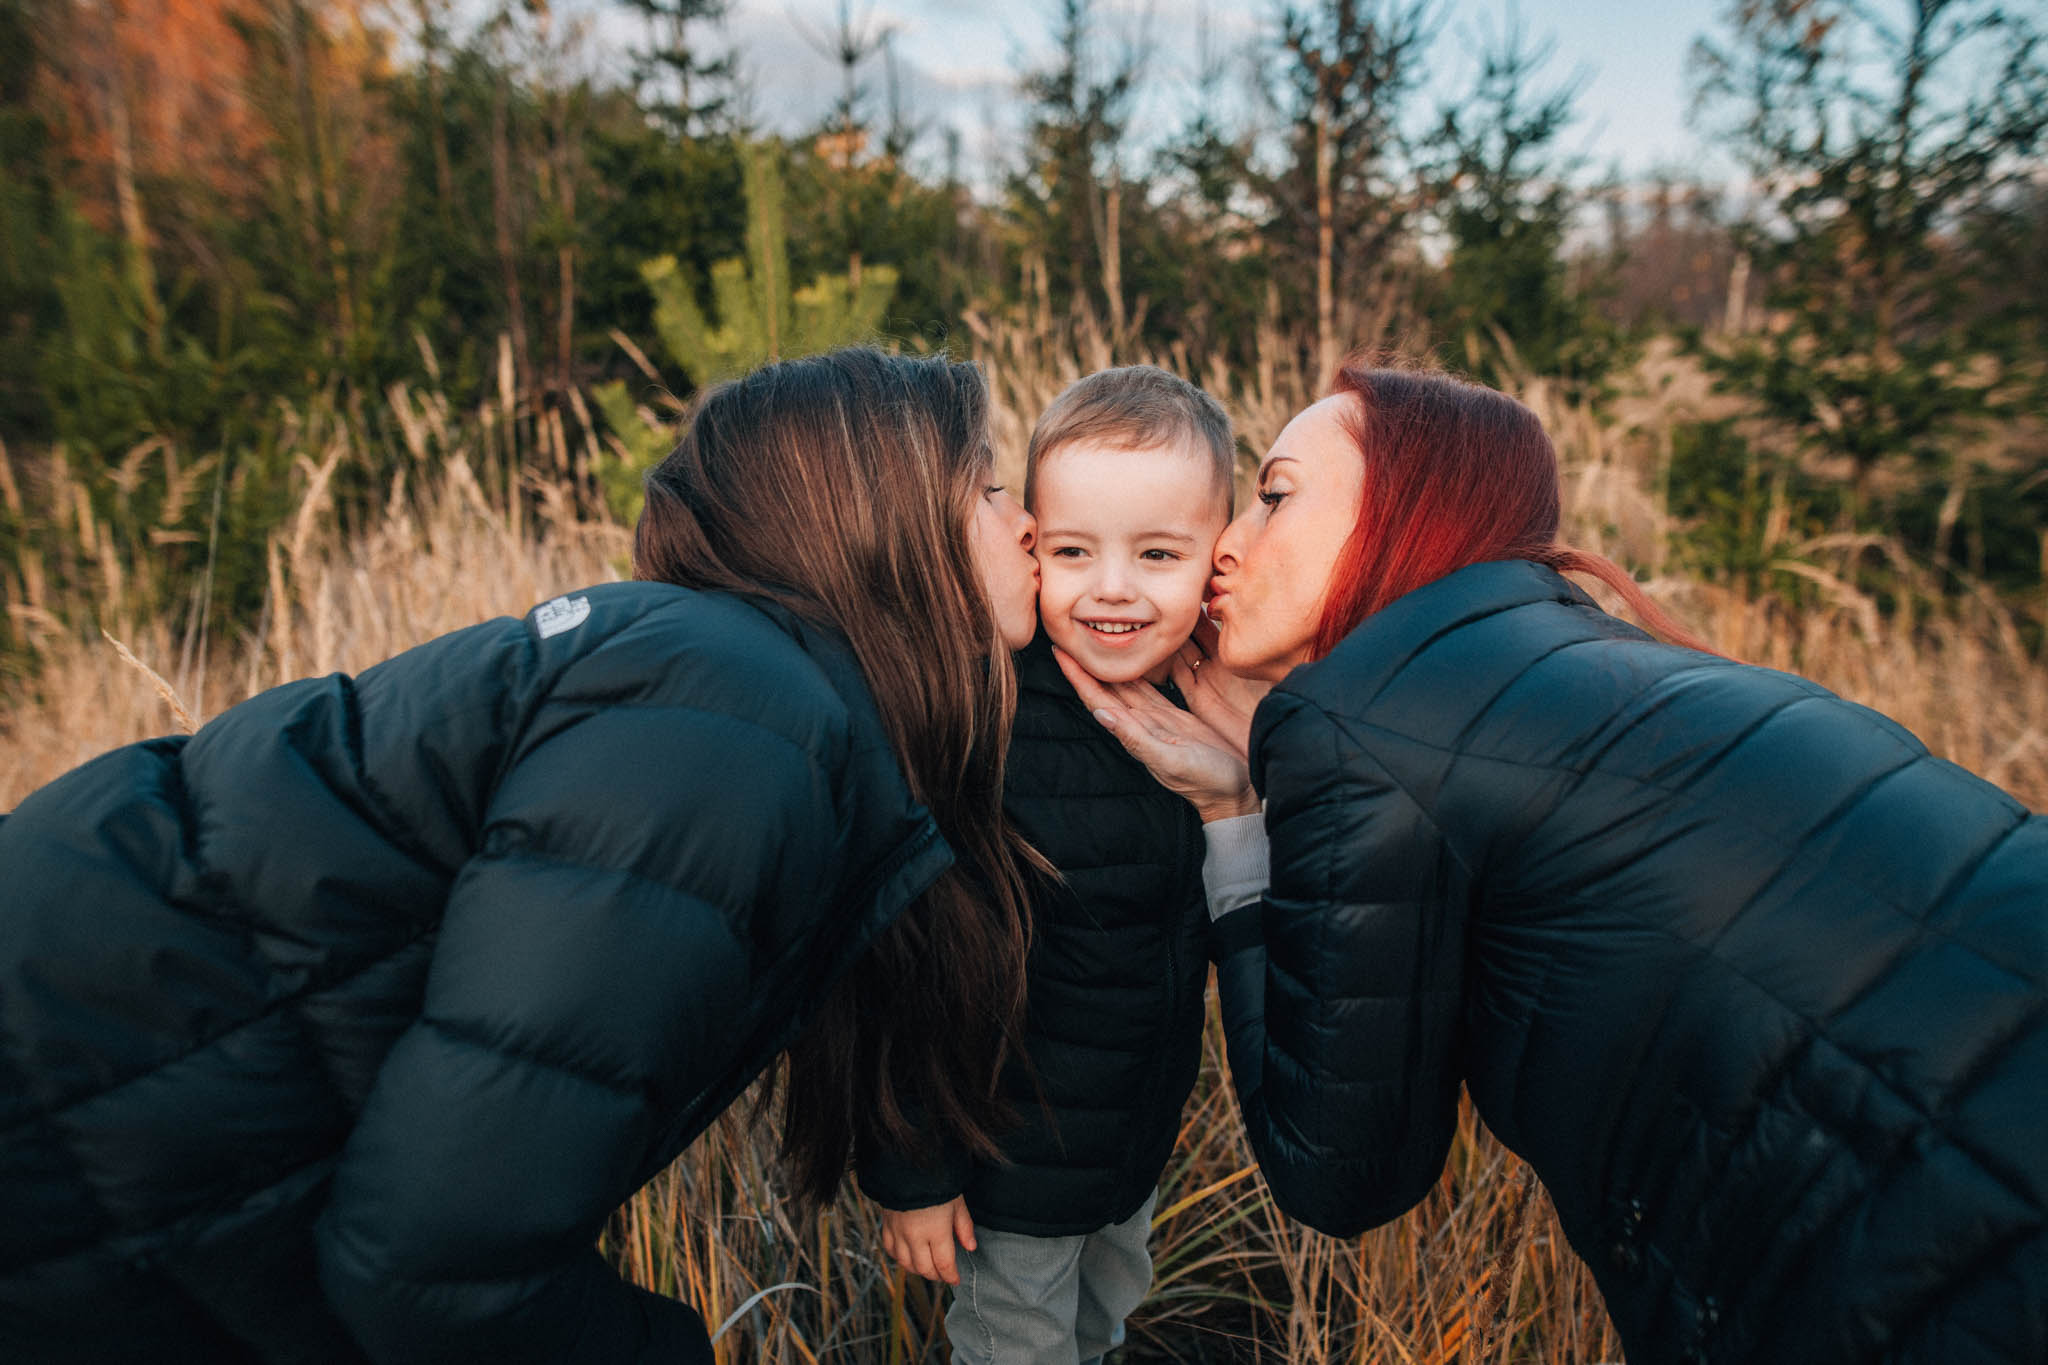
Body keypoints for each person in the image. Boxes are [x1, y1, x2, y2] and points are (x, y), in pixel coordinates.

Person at [0, 347, 1046, 1365]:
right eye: (989, 489)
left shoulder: (752, 698)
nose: (1028, 522)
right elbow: (440, 1264)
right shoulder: (728, 722)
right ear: (878, 520)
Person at [1060, 360, 2047, 1365]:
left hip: (1949, 1235)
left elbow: (1336, 1174)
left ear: (1413, 508)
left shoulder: (1357, 715)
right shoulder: (1611, 664)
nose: (1223, 543)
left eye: (1271, 496)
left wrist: (1235, 817)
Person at [859, 366, 1233, 1365]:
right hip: (1004, 1171)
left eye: (1156, 553)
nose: (1110, 587)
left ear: (1217, 557)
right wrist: (915, 1174)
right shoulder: (990, 730)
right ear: (1030, 547)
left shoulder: (1217, 713)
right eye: (1073, 551)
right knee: (1017, 1349)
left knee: (1101, 1322)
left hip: (1129, 1146)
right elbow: (911, 967)